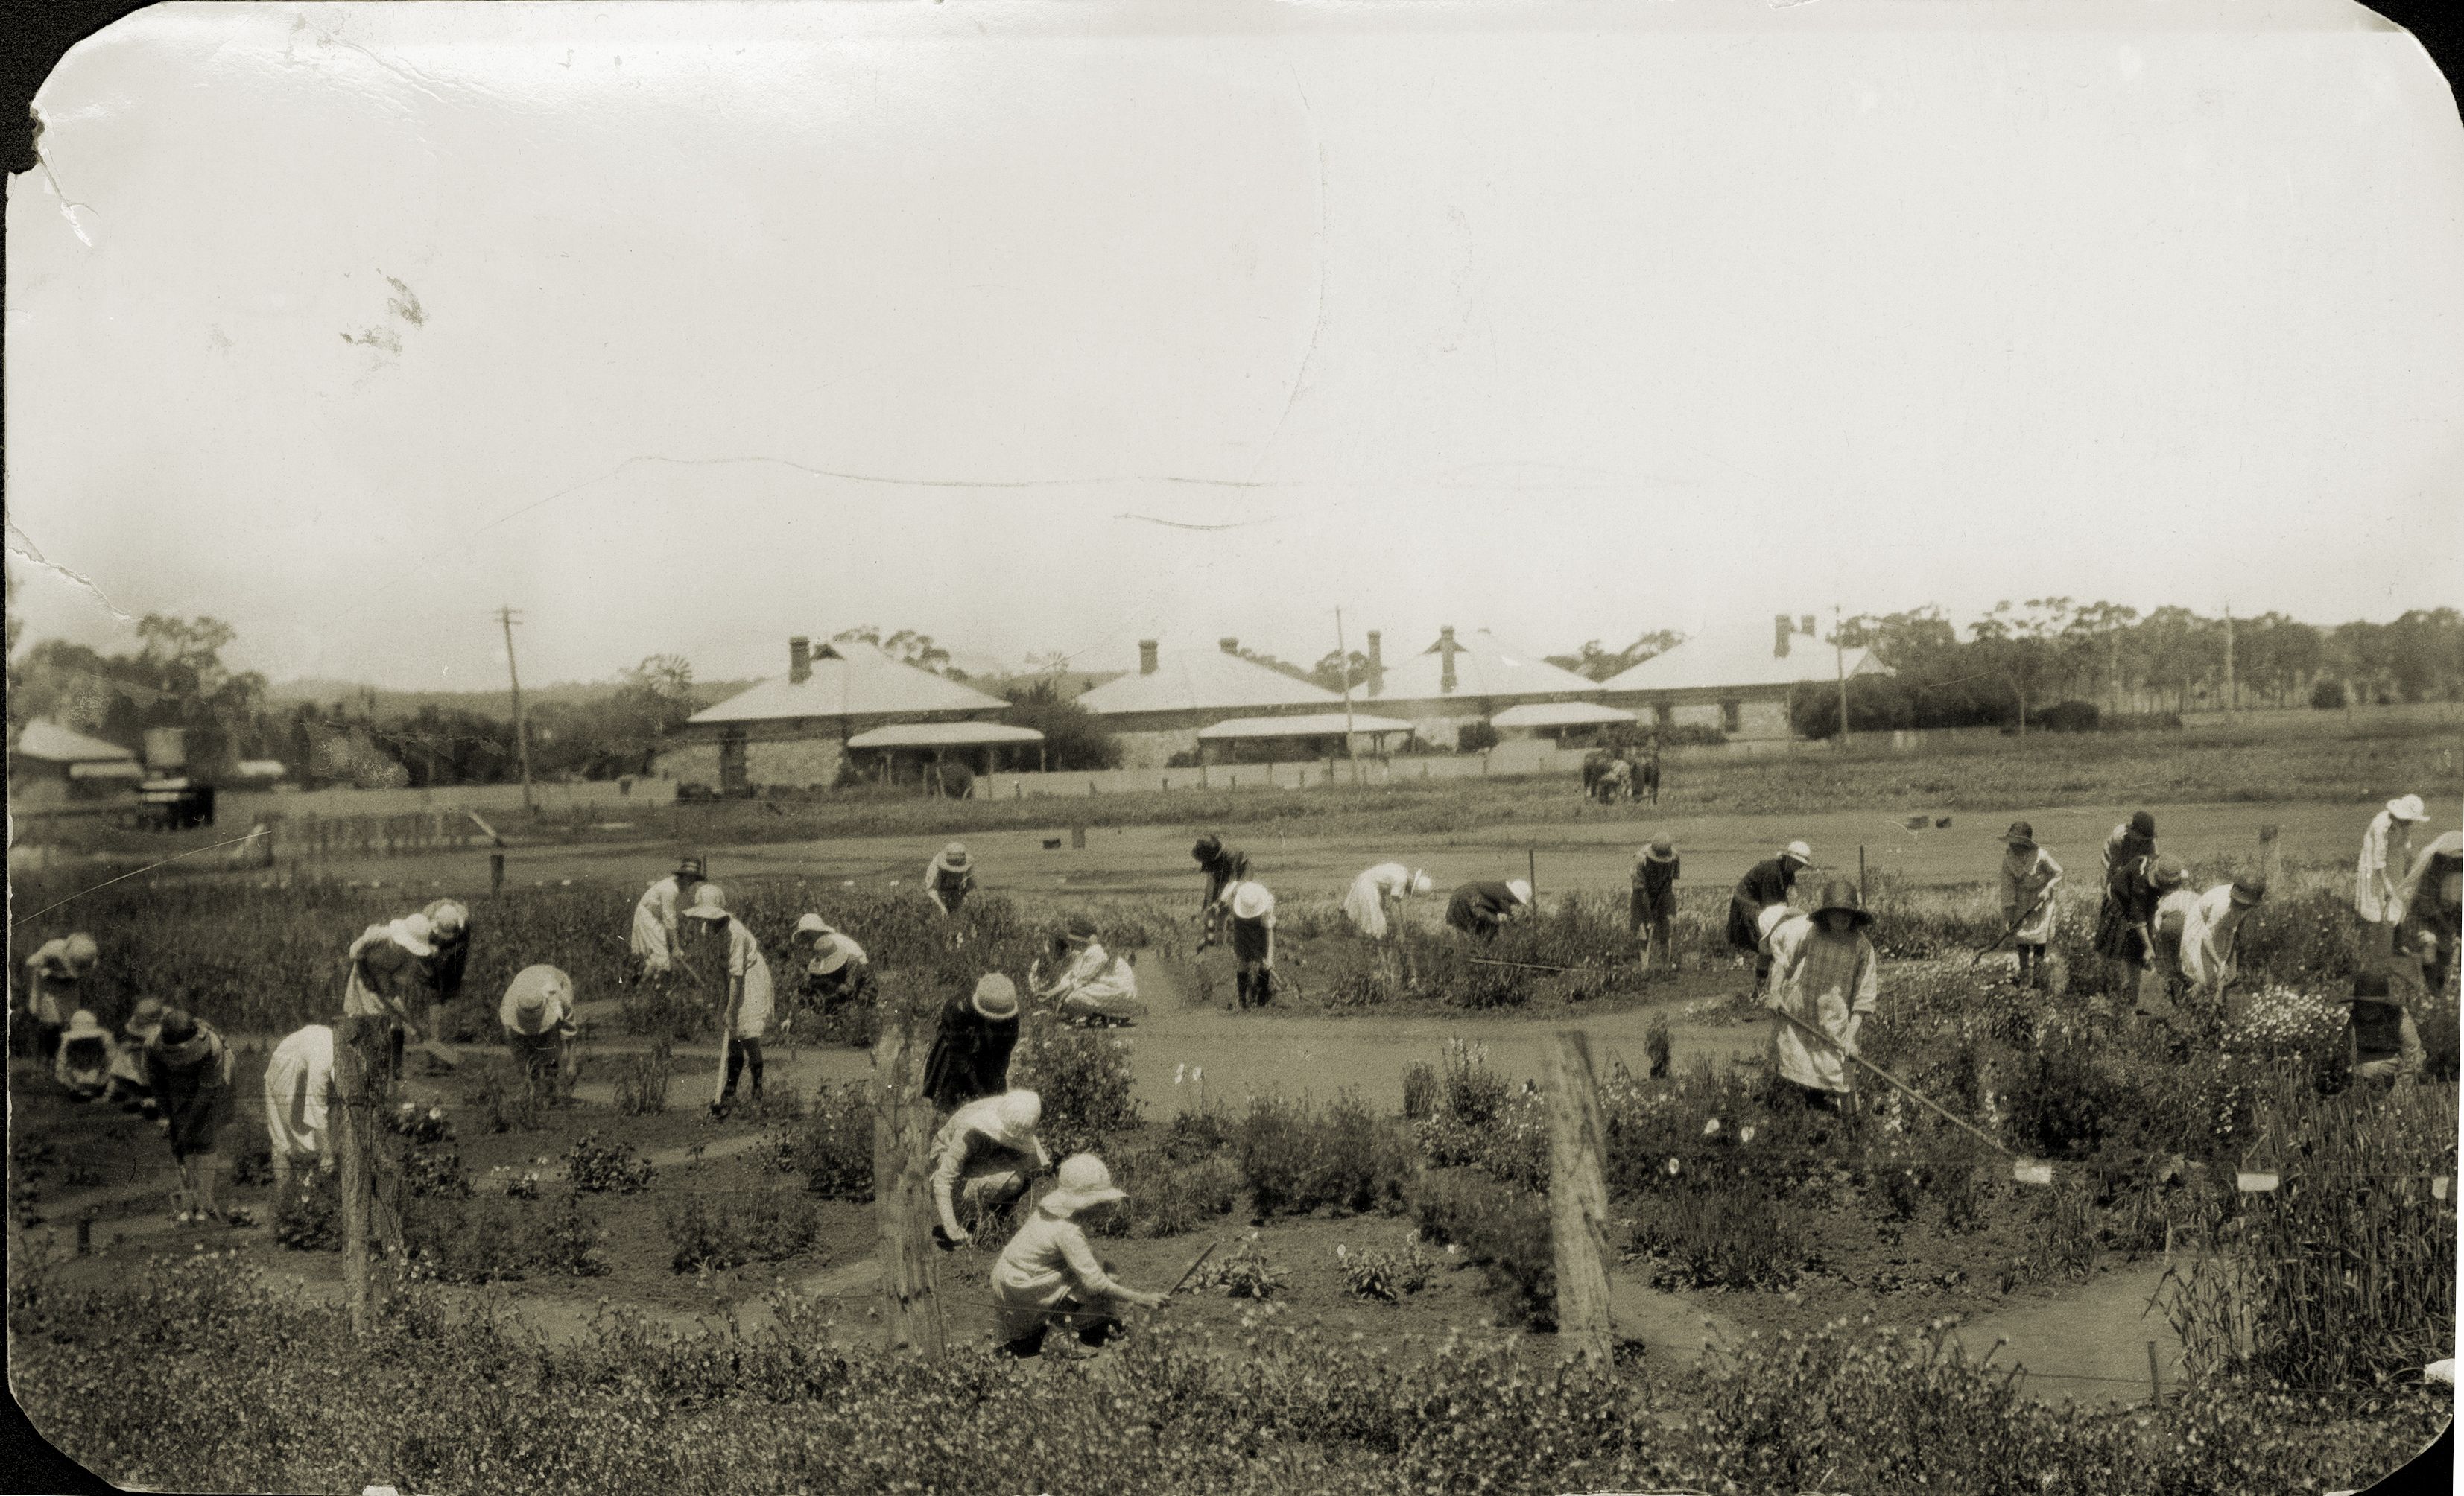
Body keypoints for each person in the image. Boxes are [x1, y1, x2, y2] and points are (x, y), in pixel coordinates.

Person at [989, 1153, 1168, 1357]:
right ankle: (1058, 1337)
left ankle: (1082, 1325)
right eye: (1100, 1202)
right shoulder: (1068, 1230)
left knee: (1099, 1267)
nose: (1106, 1207)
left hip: (1010, 1277)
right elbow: (1095, 1283)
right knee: (1093, 1279)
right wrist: (1142, 1298)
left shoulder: (1052, 1212)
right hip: (1021, 1285)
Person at [679, 882, 776, 1115]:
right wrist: (719, 997)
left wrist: (731, 1010)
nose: (708, 921)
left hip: (750, 977)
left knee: (746, 1032)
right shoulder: (706, 930)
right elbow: (717, 966)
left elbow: (738, 974)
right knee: (732, 1034)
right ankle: (729, 1090)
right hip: (731, 979)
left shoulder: (737, 933)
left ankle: (757, 1089)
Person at [145, 1007, 235, 1224]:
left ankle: (204, 1203)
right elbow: (157, 1082)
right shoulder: (152, 1045)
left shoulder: (212, 1048)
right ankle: (187, 1204)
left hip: (212, 1084)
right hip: (176, 1082)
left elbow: (206, 1093)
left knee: (204, 1138)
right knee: (180, 1143)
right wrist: (166, 1116)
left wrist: (187, 1129)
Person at [929, 1089, 1051, 1246]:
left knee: (1033, 1166)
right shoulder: (971, 1131)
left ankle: (999, 1215)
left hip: (981, 1156)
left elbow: (1037, 1162)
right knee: (1015, 1180)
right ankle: (966, 1212)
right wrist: (952, 1228)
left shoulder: (1017, 1109)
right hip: (947, 1158)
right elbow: (943, 1179)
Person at [341, 912, 436, 1086]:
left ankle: (394, 1073)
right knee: (362, 1021)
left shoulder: (409, 958)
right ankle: (361, 1075)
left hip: (383, 984)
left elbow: (394, 991)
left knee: (394, 1024)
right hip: (362, 978)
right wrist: (366, 974)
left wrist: (412, 1024)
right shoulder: (380, 936)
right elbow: (354, 952)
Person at [2097, 852, 2186, 1004]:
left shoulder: (2162, 864)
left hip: (2141, 906)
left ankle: (2141, 992)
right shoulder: (2141, 886)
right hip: (2121, 906)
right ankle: (2131, 996)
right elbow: (2138, 919)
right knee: (2131, 951)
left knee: (2144, 949)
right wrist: (2148, 947)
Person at [923, 974, 1023, 1111]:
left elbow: (1005, 1051)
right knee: (952, 1100)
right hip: (956, 1050)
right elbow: (959, 1056)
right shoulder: (960, 1007)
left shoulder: (1008, 1011)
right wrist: (978, 1092)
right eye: (993, 1019)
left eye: (1000, 1020)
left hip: (986, 1049)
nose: (997, 1022)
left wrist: (996, 1081)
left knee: (995, 1096)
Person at [262, 1022, 338, 1190]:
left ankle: (312, 1189)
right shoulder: (322, 1065)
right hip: (286, 1064)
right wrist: (327, 1156)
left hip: (307, 1055)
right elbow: (317, 1110)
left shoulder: (347, 1056)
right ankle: (285, 1197)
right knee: (284, 1139)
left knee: (320, 1137)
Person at [1727, 843, 1813, 988]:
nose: (1799, 866)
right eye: (1797, 863)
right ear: (1788, 858)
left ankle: (1764, 983)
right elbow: (1771, 906)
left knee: (1773, 938)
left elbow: (1782, 897)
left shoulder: (1788, 871)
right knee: (1770, 939)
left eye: (1801, 865)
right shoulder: (1772, 872)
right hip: (1748, 903)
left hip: (1762, 902)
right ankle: (1765, 984)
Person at [2179, 874, 2267, 1008]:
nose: (2245, 907)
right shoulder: (2221, 906)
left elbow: (2237, 924)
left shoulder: (2245, 903)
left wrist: (2225, 958)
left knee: (2224, 972)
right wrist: (2219, 963)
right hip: (2202, 924)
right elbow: (2206, 937)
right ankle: (2186, 1004)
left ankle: (2216, 1002)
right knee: (2204, 975)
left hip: (2224, 927)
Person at [1035, 915, 1143, 1024]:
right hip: (1113, 987)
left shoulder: (1096, 951)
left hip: (1122, 989)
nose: (1071, 943)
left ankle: (1105, 1014)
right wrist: (1050, 993)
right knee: (1073, 997)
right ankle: (1103, 1015)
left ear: (1081, 940)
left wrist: (1061, 1000)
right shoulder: (1085, 953)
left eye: (1073, 941)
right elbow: (1073, 976)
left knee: (1075, 996)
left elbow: (1082, 980)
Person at [2357, 795, 2428, 954]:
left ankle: (2396, 944)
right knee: (2378, 902)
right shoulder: (2382, 824)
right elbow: (2378, 858)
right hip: (2376, 867)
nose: (2411, 823)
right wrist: (2386, 884)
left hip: (2395, 861)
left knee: (2398, 901)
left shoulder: (2405, 824)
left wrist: (2410, 871)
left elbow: (2406, 849)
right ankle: (2375, 946)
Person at [1996, 823, 2065, 988]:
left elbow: (2058, 873)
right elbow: (2007, 887)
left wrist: (2048, 888)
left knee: (2039, 939)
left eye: (2017, 843)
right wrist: (2010, 913)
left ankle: (2040, 978)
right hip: (2021, 901)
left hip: (2040, 901)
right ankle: (2025, 979)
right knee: (2021, 936)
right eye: (2011, 842)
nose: (2013, 846)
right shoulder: (2009, 859)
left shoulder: (2041, 856)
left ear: (2025, 843)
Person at [500, 964, 580, 1105]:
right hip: (526, 978)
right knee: (529, 1053)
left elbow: (570, 1031)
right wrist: (526, 1077)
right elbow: (516, 1048)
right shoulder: (510, 1003)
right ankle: (533, 1091)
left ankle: (550, 1090)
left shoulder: (559, 998)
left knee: (550, 1047)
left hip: (557, 981)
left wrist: (572, 1063)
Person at [2395, 825, 2462, 992]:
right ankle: (2433, 990)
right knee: (2429, 946)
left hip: (2447, 925)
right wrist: (2447, 926)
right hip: (2426, 924)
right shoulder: (2429, 881)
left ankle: (2451, 988)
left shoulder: (2457, 880)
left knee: (2451, 955)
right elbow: (2427, 908)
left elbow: (2458, 907)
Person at [19, 932, 99, 1065]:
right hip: (48, 983)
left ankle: (65, 1058)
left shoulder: (87, 957)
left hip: (69, 985)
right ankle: (46, 1059)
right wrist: (48, 970)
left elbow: (83, 972)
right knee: (50, 1021)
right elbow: (31, 963)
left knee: (71, 1020)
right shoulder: (53, 949)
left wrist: (69, 974)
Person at [2348, 965, 2426, 1088]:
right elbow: (2345, 1047)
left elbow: (2413, 1055)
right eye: (2362, 1004)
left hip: (2391, 1071)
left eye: (2372, 1005)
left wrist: (2401, 1090)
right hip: (2361, 1070)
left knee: (2376, 1069)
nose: (2366, 1010)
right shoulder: (2355, 1019)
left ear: (2383, 1005)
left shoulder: (2399, 1019)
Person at [630, 855, 706, 979]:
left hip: (657, 916)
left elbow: (678, 914)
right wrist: (675, 947)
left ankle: (653, 985)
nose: (691, 880)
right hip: (648, 917)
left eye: (694, 877)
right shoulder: (670, 889)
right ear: (683, 875)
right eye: (688, 876)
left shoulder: (682, 887)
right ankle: (640, 988)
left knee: (663, 955)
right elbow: (669, 919)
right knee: (661, 957)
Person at [792, 915, 877, 1024]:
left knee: (847, 1000)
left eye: (806, 934)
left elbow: (851, 974)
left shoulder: (831, 942)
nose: (806, 938)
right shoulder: (822, 943)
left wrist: (834, 987)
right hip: (844, 970)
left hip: (859, 974)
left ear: (813, 931)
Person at [419, 898, 472, 1052]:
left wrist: (448, 954)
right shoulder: (426, 919)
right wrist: (433, 952)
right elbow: (421, 943)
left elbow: (464, 944)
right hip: (431, 950)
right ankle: (436, 1040)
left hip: (455, 954)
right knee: (433, 990)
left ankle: (448, 1041)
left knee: (451, 991)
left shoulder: (464, 921)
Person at [1223, 881, 1279, 1009]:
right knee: (1242, 959)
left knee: (1264, 963)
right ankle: (1242, 1000)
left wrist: (1270, 959)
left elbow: (1269, 932)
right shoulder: (1234, 896)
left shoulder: (1266, 904)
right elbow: (1224, 904)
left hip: (1260, 927)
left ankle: (1262, 999)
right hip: (1240, 925)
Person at [1343, 862, 1432, 941]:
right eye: (1411, 891)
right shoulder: (1401, 880)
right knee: (1376, 929)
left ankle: (1351, 939)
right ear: (1412, 884)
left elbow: (1386, 897)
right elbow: (1394, 906)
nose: (1408, 892)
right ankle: (1364, 948)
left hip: (1364, 881)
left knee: (1368, 922)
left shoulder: (1402, 871)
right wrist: (1400, 933)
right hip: (1367, 887)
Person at [1631, 841, 1681, 980]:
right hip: (1642, 894)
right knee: (1643, 931)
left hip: (1664, 892)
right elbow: (1641, 891)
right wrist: (1649, 916)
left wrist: (1661, 902)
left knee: (1666, 928)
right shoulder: (1640, 859)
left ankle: (1666, 969)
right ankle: (1645, 969)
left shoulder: (1675, 856)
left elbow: (1670, 881)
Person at [107, 999, 165, 1117]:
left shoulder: (163, 1034)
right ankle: (145, 1099)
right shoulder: (136, 1039)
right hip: (144, 1079)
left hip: (162, 1079)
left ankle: (155, 1101)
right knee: (125, 1054)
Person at [1191, 834, 1250, 947]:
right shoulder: (1208, 853)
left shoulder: (1232, 855)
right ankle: (1210, 938)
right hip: (1222, 870)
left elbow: (1233, 883)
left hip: (1240, 872)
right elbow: (1211, 883)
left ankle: (1232, 938)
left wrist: (1219, 902)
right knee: (1211, 907)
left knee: (1229, 904)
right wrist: (1209, 905)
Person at [51, 1010, 115, 1101]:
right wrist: (72, 1084)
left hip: (100, 1080)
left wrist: (101, 1084)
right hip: (75, 1081)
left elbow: (111, 1066)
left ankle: (90, 1088)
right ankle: (81, 1090)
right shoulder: (67, 1043)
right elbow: (60, 1067)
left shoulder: (105, 1041)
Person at [1445, 878, 1533, 939]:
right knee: (1493, 926)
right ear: (1516, 897)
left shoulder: (1500, 888)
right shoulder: (1506, 895)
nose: (1516, 904)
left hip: (1460, 899)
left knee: (1484, 928)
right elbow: (1508, 920)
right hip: (1466, 901)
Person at [925, 842, 977, 918]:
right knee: (940, 910)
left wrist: (962, 904)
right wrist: (941, 906)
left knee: (959, 908)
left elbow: (970, 886)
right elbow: (931, 889)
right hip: (940, 889)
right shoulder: (935, 868)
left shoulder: (966, 863)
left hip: (956, 890)